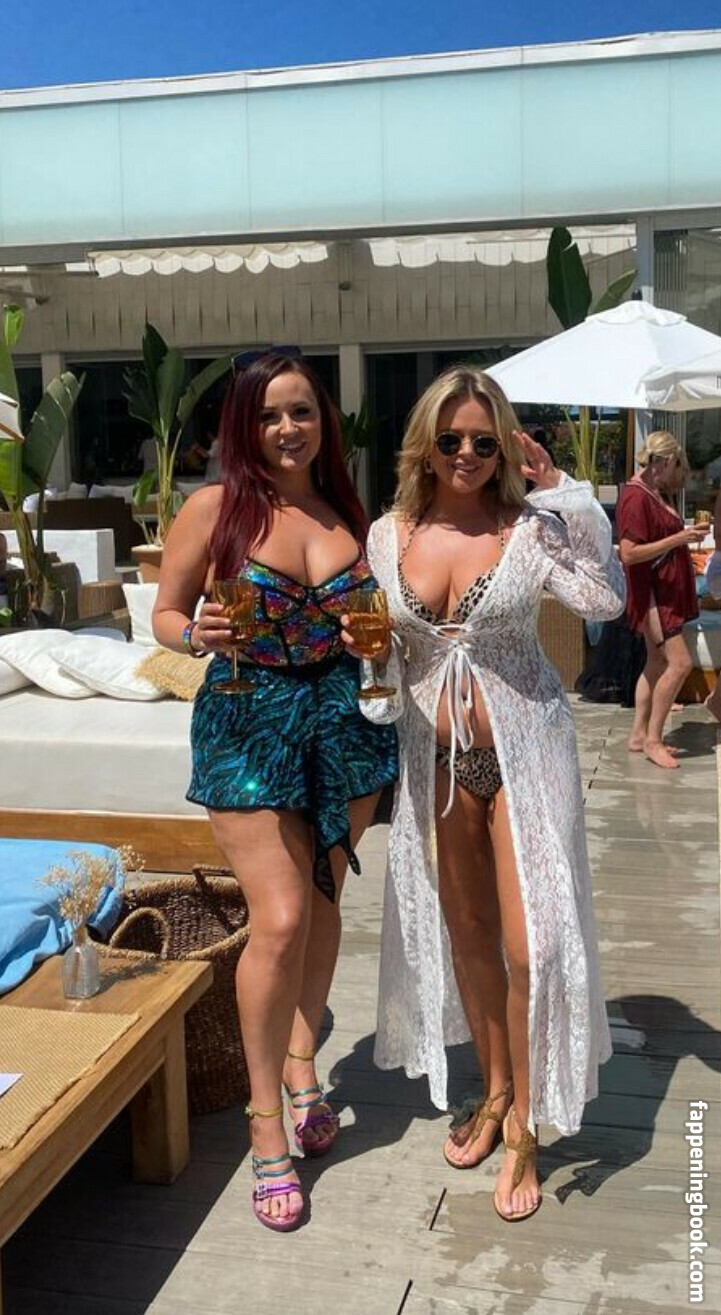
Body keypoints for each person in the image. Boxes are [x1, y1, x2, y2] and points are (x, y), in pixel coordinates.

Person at [351, 365, 625, 1223]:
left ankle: (527, 1132)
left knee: (532, 947)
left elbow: (604, 599)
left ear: (504, 447)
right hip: (436, 763)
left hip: (525, 756)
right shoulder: (386, 536)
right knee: (468, 939)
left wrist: (565, 489)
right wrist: (371, 654)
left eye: (483, 439)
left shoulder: (530, 528)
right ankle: (498, 1090)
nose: (466, 453)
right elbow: (391, 651)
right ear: (425, 446)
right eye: (451, 438)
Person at [152, 352, 398, 1232]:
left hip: (345, 725)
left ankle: (302, 1064)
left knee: (324, 900)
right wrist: (197, 632)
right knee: (283, 917)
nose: (287, 429)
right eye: (267, 415)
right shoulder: (214, 509)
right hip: (247, 722)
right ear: (242, 427)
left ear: (323, 419)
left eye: (301, 411)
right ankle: (265, 1127)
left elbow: (382, 624)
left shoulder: (346, 512)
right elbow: (165, 615)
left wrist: (377, 638)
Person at [616, 431, 707, 769]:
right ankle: (653, 741)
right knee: (680, 664)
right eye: (677, 465)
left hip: (662, 593)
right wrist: (679, 538)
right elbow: (629, 553)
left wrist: (681, 538)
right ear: (665, 462)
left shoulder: (651, 492)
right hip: (654, 596)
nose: (678, 473)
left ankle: (639, 735)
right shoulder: (637, 497)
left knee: (655, 664)